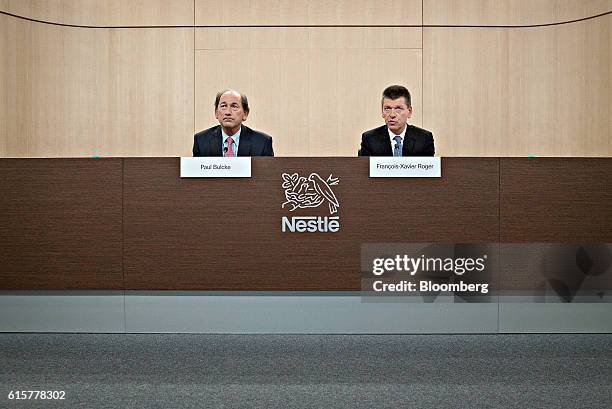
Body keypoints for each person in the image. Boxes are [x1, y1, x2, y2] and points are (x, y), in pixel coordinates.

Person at [359, 85, 435, 156]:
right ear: (382, 112)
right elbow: (364, 169)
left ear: (409, 112)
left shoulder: (424, 139)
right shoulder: (369, 139)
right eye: (387, 108)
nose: (392, 115)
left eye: (398, 109)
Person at [193, 90, 274, 156]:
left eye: (234, 106)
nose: (228, 112)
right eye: (224, 106)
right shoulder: (201, 140)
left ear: (245, 113)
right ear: (216, 112)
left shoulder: (262, 142)